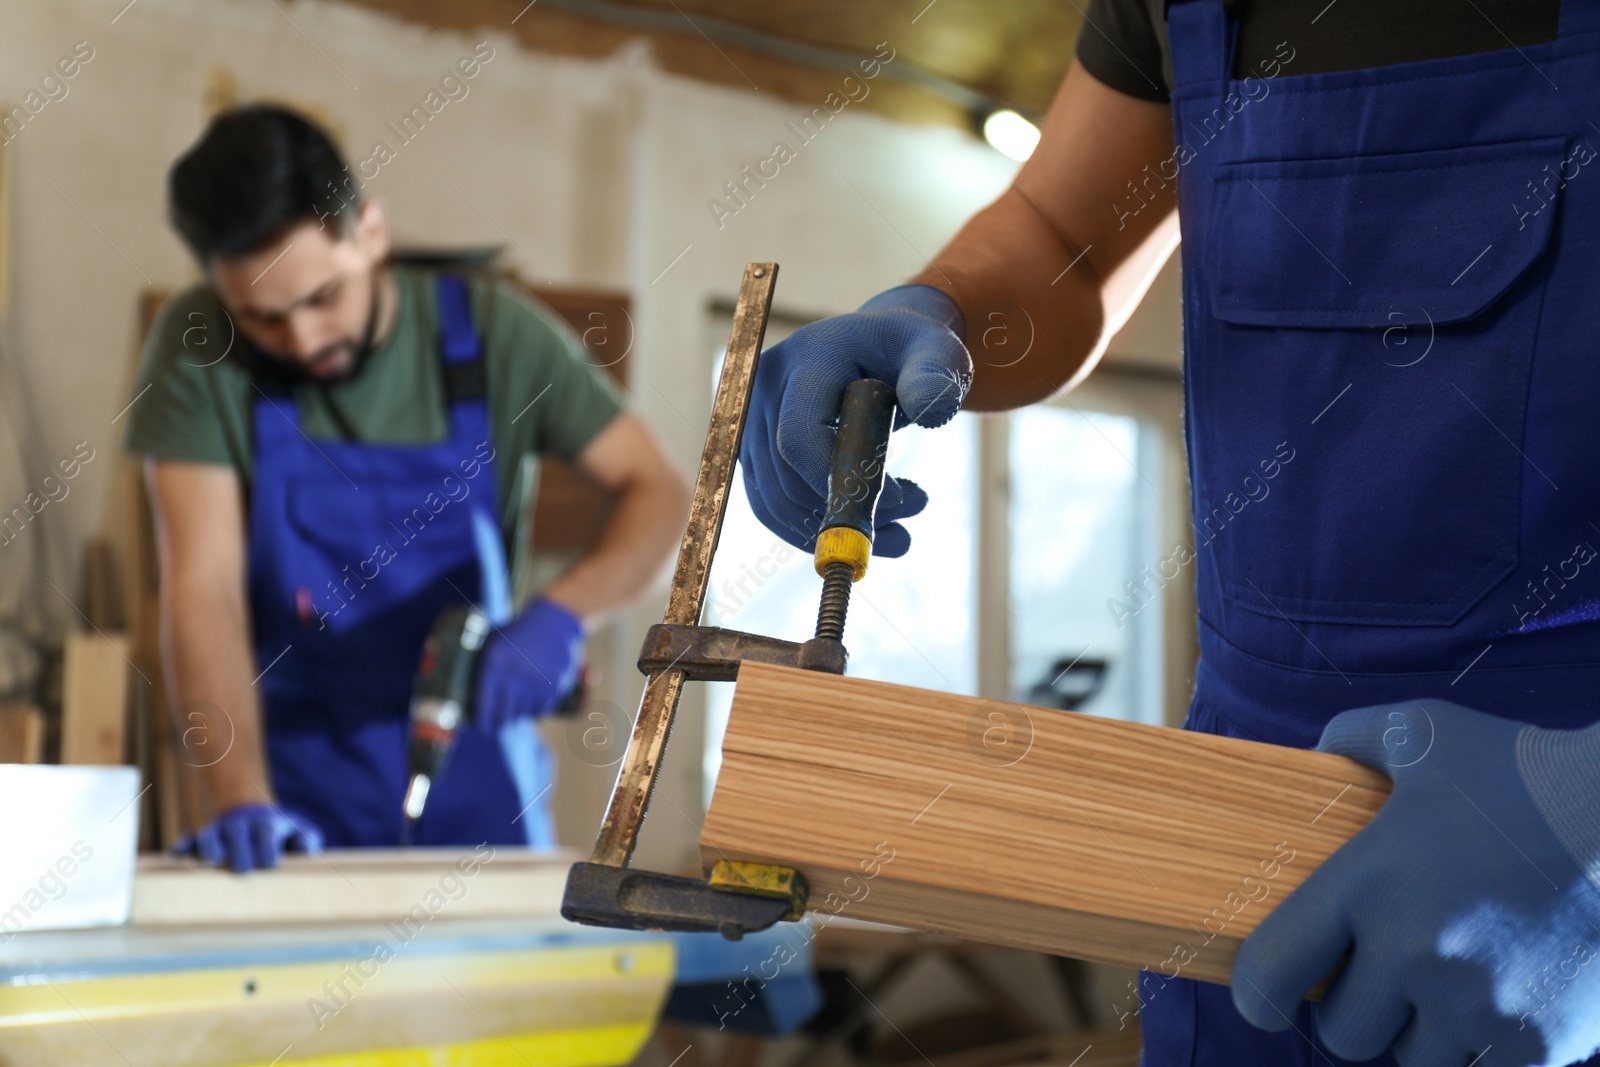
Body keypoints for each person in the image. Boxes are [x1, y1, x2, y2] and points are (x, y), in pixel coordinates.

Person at [739, 2, 1600, 1064]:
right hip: (1238, 844)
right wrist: (941, 306)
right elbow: (1065, 238)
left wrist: (1583, 820)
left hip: (1553, 860)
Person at [124, 106, 688, 873]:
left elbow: (657, 491)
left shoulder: (496, 338)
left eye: (323, 296)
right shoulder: (200, 346)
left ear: (372, 233)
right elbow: (203, 587)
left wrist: (565, 612)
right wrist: (238, 796)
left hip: (481, 780)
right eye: (262, 317)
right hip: (293, 788)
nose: (303, 340)